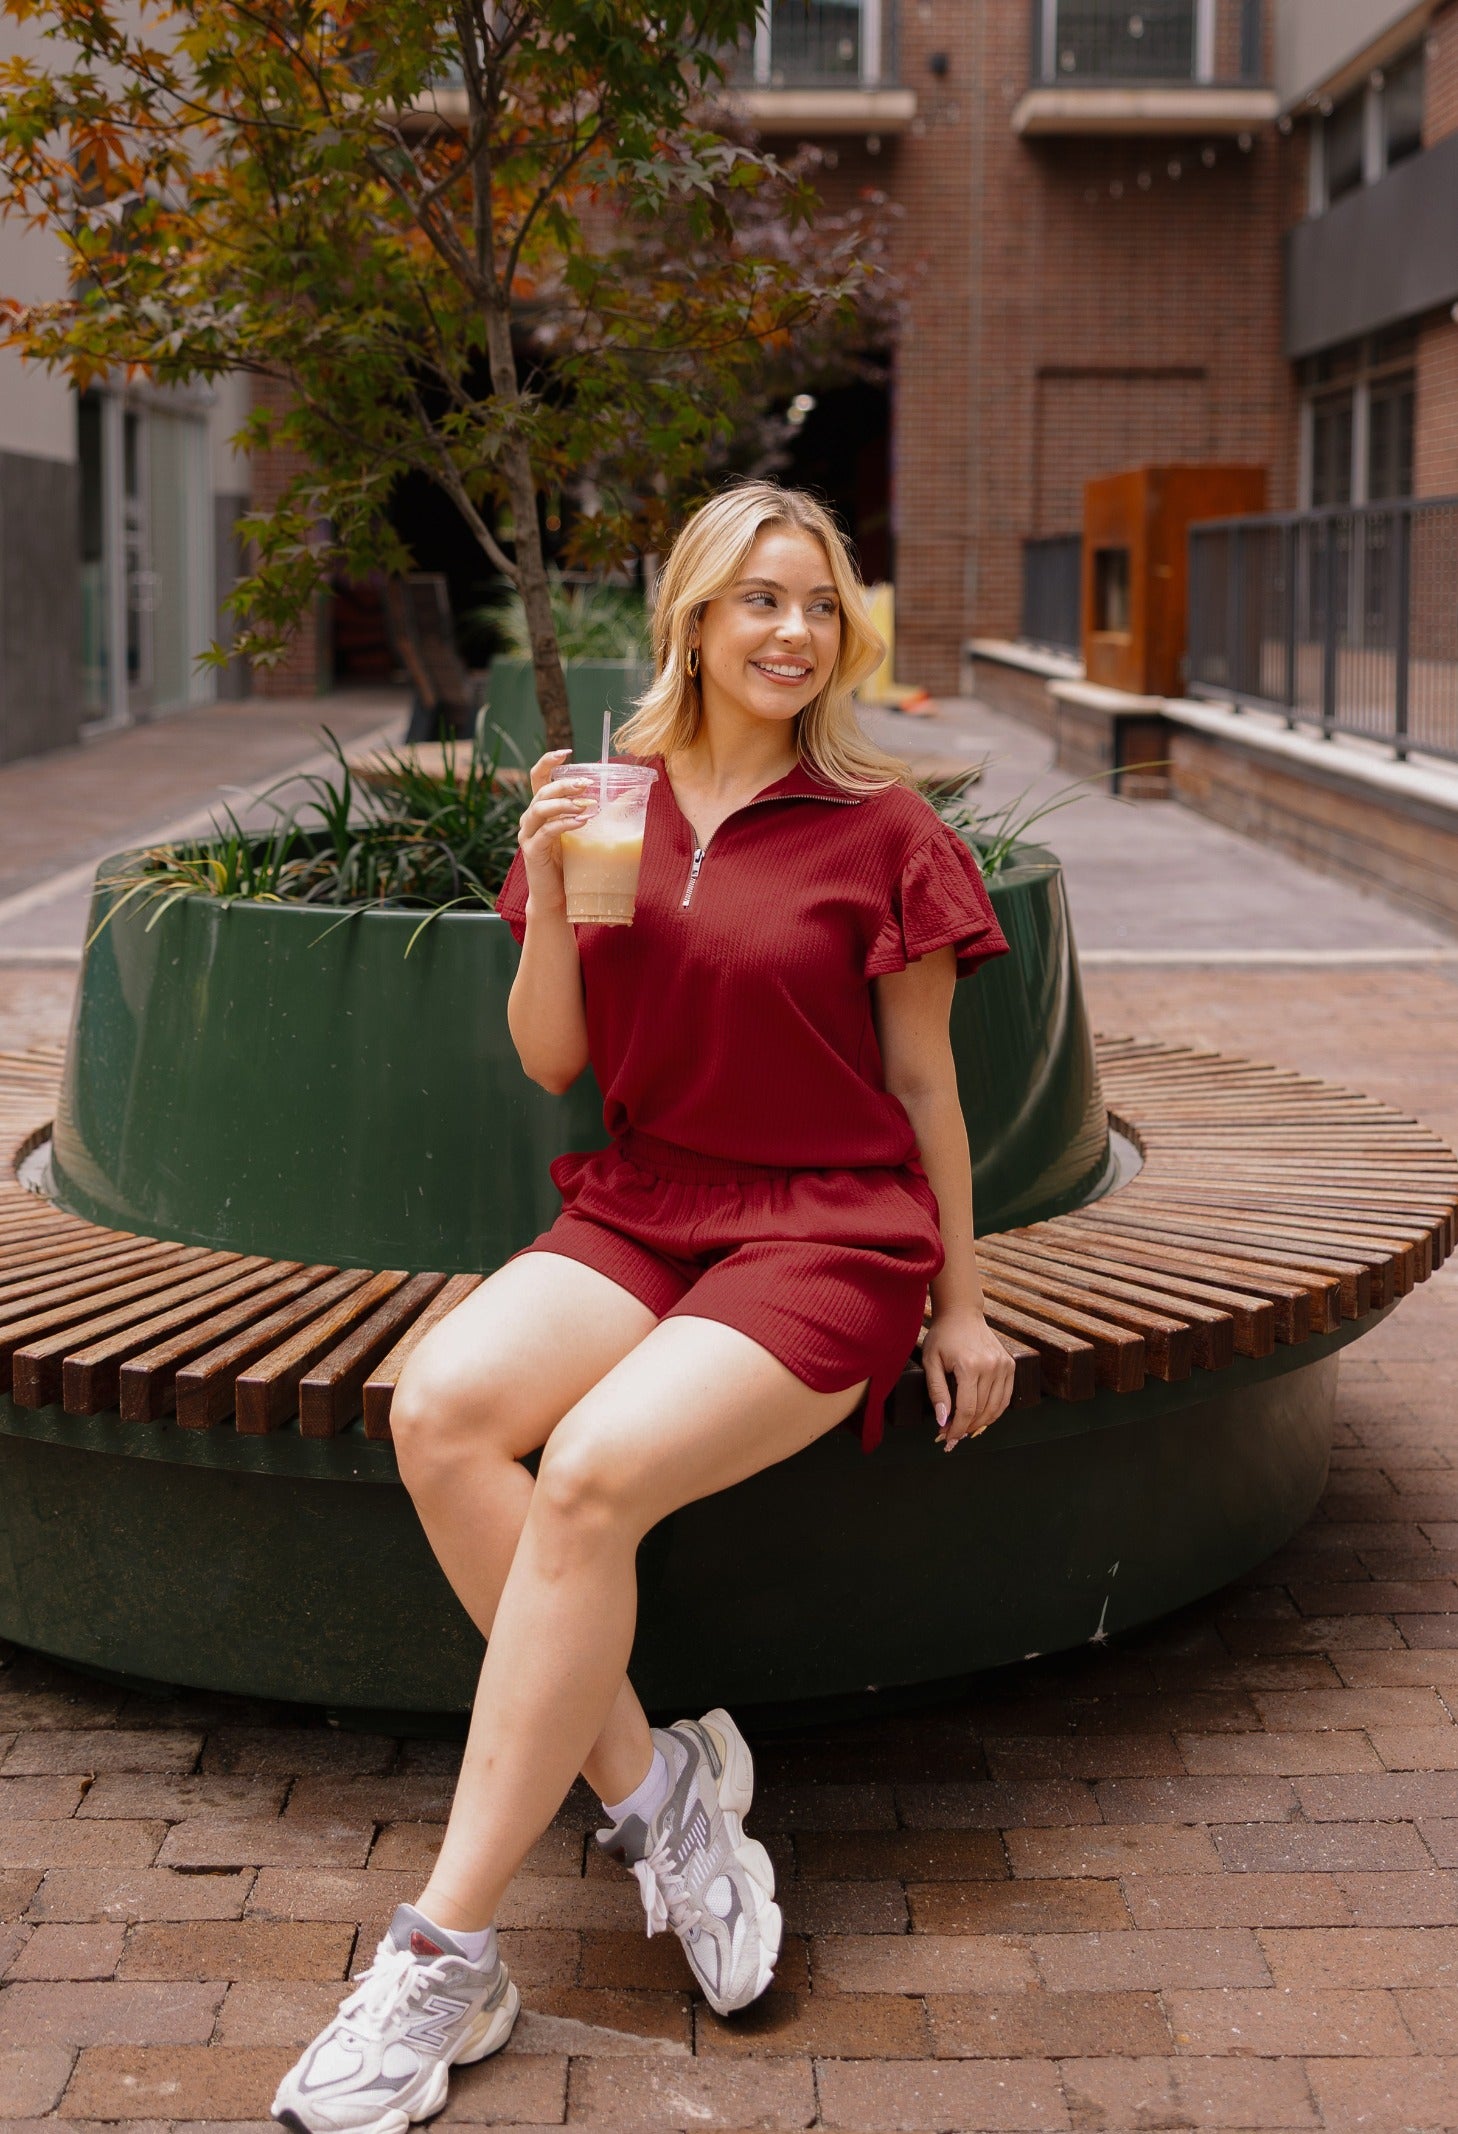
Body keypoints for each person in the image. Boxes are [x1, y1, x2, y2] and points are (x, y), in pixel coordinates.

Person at [273, 482, 1018, 2134]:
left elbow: (922, 1082)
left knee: (596, 1466)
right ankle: (662, 1795)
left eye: (820, 605)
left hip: (827, 1229)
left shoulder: (881, 828)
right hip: (652, 1197)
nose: (792, 633)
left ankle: (442, 1951)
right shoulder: (610, 799)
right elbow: (556, 1059)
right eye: (759, 599)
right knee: (442, 1412)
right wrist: (535, 875)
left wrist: (963, 1305)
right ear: (690, 615)